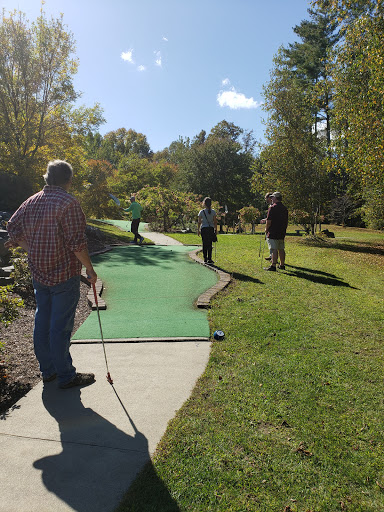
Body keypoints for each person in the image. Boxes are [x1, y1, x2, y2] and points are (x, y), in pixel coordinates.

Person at [5, 160, 97, 389]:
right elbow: (77, 244)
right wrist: (90, 269)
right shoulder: (69, 202)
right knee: (60, 326)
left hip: (39, 272)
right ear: (69, 180)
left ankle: (48, 371)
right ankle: (66, 375)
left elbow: (12, 227)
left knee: (42, 321)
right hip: (64, 274)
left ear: (47, 177)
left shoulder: (31, 201)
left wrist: (31, 249)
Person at [264, 191, 288, 271]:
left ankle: (273, 265)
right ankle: (282, 265)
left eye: (272, 197)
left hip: (273, 231)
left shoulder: (272, 207)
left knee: (274, 249)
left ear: (276, 198)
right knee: (281, 248)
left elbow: (269, 221)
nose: (271, 198)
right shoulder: (284, 208)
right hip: (281, 231)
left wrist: (266, 229)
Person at [197, 197, 217, 265]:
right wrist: (216, 229)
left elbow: (199, 222)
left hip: (204, 229)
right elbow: (215, 222)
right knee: (210, 244)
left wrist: (198, 230)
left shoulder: (201, 212)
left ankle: (205, 258)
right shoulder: (213, 212)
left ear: (204, 203)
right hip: (210, 229)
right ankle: (209, 258)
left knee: (204, 244)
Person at [260, 192, 274, 262]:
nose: (266, 200)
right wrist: (265, 219)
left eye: (266, 198)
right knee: (270, 242)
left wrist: (266, 228)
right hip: (271, 226)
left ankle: (273, 258)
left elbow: (272, 219)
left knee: (273, 243)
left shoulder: (273, 206)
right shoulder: (271, 205)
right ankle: (271, 256)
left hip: (272, 227)